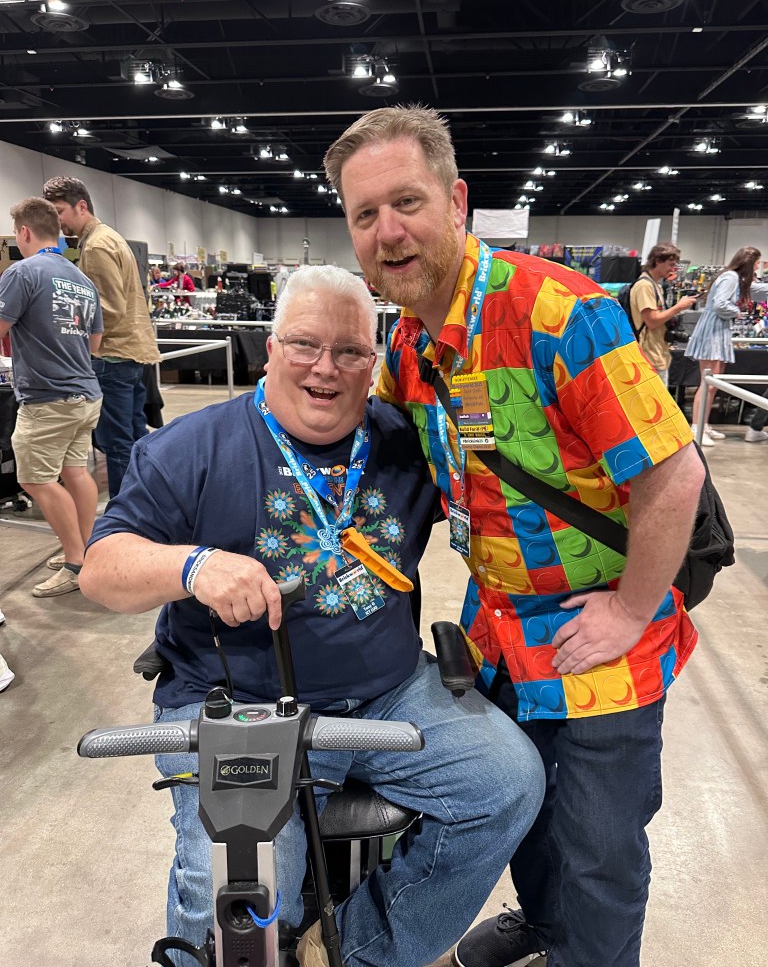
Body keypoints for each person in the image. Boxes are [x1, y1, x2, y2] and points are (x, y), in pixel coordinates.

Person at [323, 105, 705, 967]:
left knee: (598, 846)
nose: (388, 232)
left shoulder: (558, 313)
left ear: (456, 201)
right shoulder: (411, 344)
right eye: (364, 214)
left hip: (596, 631)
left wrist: (630, 610)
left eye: (407, 202)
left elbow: (674, 475)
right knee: (525, 811)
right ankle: (545, 928)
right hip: (496, 629)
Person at [79, 265, 545, 967]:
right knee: (244, 899)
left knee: (508, 783)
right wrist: (193, 567)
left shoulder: (407, 443)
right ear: (269, 349)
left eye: (350, 351)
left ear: (373, 362)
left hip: (391, 693)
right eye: (304, 344)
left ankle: (352, 951)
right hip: (243, 709)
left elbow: (511, 495)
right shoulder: (191, 448)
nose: (325, 368)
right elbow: (101, 570)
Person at [0, 198, 103, 597]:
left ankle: (76, 561)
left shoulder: (22, 273)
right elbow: (95, 343)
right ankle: (87, 549)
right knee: (75, 472)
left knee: (34, 478)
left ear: (24, 232)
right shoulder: (82, 279)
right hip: (85, 393)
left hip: (48, 398)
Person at [41, 176, 161, 497]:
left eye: (60, 211)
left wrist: (67, 326)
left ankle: (124, 512)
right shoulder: (108, 237)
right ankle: (147, 503)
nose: (57, 221)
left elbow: (107, 308)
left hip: (112, 356)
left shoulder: (96, 246)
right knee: (134, 437)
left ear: (82, 206)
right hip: (129, 353)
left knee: (117, 443)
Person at [685, 246, 762, 446]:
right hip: (713, 331)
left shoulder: (735, 279)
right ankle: (696, 427)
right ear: (749, 263)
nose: (758, 267)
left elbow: (757, 291)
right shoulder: (731, 278)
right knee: (708, 382)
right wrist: (736, 312)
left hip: (719, 331)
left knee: (713, 383)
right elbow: (720, 304)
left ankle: (704, 424)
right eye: (756, 263)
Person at [628, 242, 697, 386]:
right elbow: (652, 321)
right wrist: (678, 307)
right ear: (658, 261)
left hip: (658, 353)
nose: (673, 269)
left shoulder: (655, 285)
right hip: (649, 356)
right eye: (671, 264)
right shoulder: (645, 286)